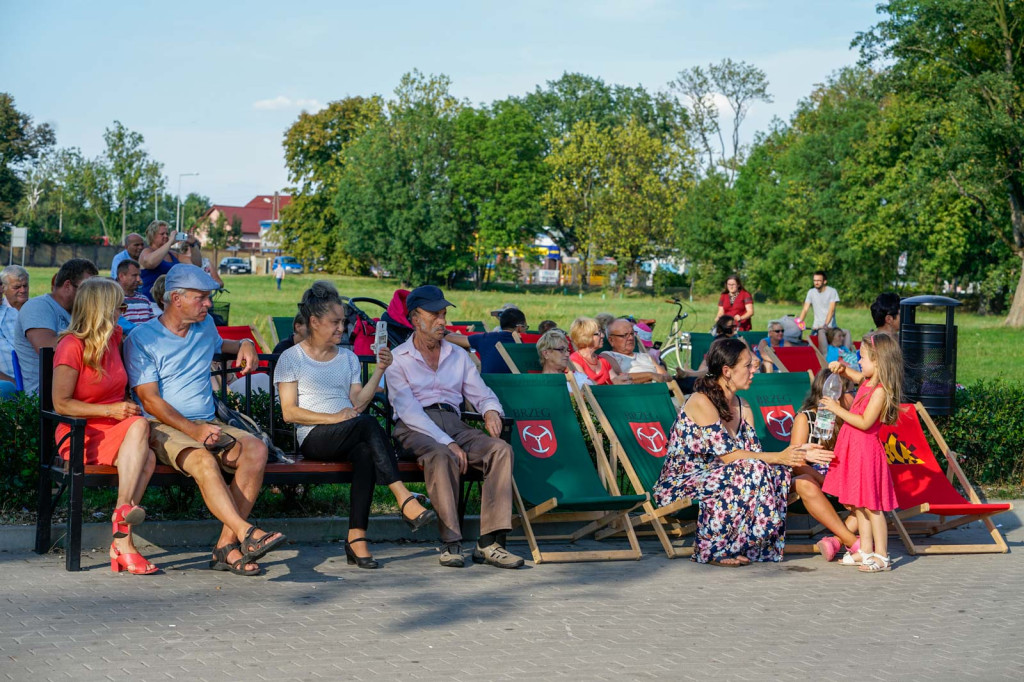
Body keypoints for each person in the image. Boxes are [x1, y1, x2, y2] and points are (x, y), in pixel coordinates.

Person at [125, 264, 285, 576]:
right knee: (204, 461)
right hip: (164, 427)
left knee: (255, 450)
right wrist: (194, 430)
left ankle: (226, 545)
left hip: (207, 421)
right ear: (176, 299)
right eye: (202, 297)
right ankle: (246, 532)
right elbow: (149, 400)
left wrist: (246, 344)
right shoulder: (142, 339)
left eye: (208, 297)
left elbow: (223, 345)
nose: (209, 304)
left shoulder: (205, 326)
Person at [275, 282, 436, 569]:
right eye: (335, 322)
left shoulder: (347, 357)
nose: (342, 328)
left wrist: (381, 370)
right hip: (313, 436)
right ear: (314, 322)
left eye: (343, 322)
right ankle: (403, 497)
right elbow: (289, 413)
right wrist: (334, 418)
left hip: (347, 432)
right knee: (365, 426)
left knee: (364, 451)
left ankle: (357, 538)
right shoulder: (291, 358)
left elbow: (358, 403)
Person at [653, 338, 831, 566]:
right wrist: (780, 457)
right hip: (681, 484)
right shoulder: (701, 401)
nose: (753, 370)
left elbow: (753, 455)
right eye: (747, 366)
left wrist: (799, 452)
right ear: (727, 371)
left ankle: (743, 544)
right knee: (753, 470)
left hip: (730, 477)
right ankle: (713, 550)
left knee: (771, 471)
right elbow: (729, 457)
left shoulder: (743, 405)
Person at [386, 285, 523, 569]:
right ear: (414, 318)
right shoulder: (398, 358)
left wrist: (490, 411)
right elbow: (409, 412)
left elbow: (481, 392)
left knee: (500, 449)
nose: (442, 321)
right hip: (415, 428)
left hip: (455, 423)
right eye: (434, 314)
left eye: (444, 314)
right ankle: (451, 543)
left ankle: (488, 543)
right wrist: (446, 442)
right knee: (441, 454)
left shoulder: (457, 355)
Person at [51, 278, 158, 574]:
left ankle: (122, 535)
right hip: (80, 430)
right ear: (101, 309)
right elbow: (61, 404)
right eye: (119, 306)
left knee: (145, 452)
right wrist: (110, 409)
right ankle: (123, 520)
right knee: (139, 429)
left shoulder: (116, 336)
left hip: (116, 427)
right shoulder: (71, 346)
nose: (123, 311)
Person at [820, 333, 904, 573]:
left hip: (867, 452)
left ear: (878, 361)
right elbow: (854, 374)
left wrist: (837, 409)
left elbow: (866, 422)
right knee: (858, 504)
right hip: (854, 450)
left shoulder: (880, 390)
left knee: (873, 507)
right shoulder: (867, 381)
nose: (859, 362)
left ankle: (882, 555)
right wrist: (842, 368)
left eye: (863, 358)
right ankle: (865, 550)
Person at [790, 368, 859, 563]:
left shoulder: (848, 419)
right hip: (815, 480)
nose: (854, 397)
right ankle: (853, 542)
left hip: (840, 480)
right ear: (834, 393)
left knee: (868, 495)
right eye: (851, 392)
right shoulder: (805, 418)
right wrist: (831, 485)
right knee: (805, 480)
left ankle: (836, 541)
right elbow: (796, 463)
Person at [14, 258, 98, 394]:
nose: (91, 296)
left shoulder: (78, 311)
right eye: (87, 290)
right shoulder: (38, 307)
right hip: (47, 394)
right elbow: (46, 349)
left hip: (76, 387)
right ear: (67, 285)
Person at [445, 307, 527, 374]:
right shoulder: (526, 344)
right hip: (517, 389)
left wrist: (442, 331)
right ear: (519, 327)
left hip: (488, 388)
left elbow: (450, 338)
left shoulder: (486, 338)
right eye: (526, 327)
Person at [138, 220, 201, 301]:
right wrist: (171, 241)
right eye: (162, 234)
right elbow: (151, 263)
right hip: (151, 301)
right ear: (152, 236)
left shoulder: (172, 254)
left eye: (167, 234)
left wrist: (194, 244)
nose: (166, 236)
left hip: (169, 301)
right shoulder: (146, 252)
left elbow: (196, 264)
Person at [600, 318, 670, 383]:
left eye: (632, 334)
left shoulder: (645, 356)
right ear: (611, 340)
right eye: (625, 335)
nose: (630, 338)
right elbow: (619, 377)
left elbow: (666, 377)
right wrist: (650, 375)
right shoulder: (607, 356)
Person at [568, 316, 629, 386]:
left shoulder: (603, 361)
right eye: (598, 333)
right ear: (585, 336)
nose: (603, 336)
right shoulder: (574, 361)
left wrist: (623, 380)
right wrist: (612, 383)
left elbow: (615, 380)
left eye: (602, 332)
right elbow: (585, 387)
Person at [116, 259, 155, 326]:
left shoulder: (144, 299)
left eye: (139, 275)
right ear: (121, 276)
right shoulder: (114, 300)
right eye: (134, 275)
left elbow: (152, 324)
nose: (138, 279)